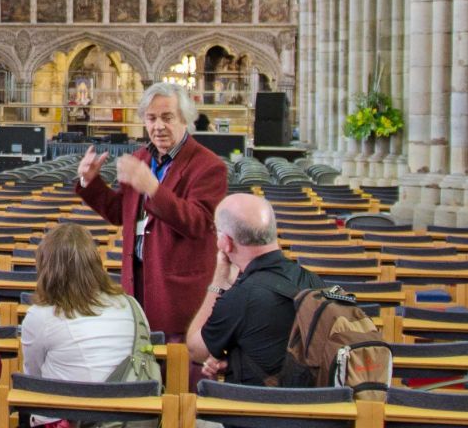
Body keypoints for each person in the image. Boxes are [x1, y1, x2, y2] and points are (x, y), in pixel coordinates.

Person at [76, 81, 228, 343]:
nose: (158, 126)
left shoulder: (208, 166)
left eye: (167, 118)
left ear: (185, 119)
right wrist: (90, 183)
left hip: (177, 290)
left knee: (179, 371)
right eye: (151, 118)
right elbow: (119, 213)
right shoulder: (141, 158)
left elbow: (199, 223)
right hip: (137, 282)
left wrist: (153, 189)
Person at [186, 194, 325, 386]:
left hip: (259, 410)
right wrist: (236, 362)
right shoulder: (315, 282)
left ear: (225, 242)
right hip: (320, 406)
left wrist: (218, 282)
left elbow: (195, 350)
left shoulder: (240, 296)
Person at [20, 223, 143, 388]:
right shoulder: (130, 305)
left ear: (45, 267)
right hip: (132, 407)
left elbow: (34, 376)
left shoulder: (40, 316)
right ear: (95, 262)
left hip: (67, 410)